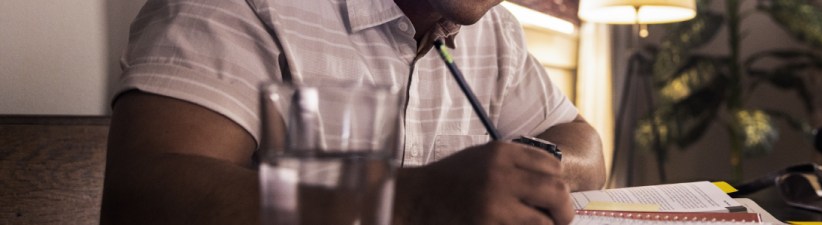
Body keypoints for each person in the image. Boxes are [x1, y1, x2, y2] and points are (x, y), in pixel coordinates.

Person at [101, 0, 605, 224]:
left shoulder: (495, 34)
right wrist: (410, 203)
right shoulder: (246, 4)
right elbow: (144, 200)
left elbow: (587, 148)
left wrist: (526, 171)